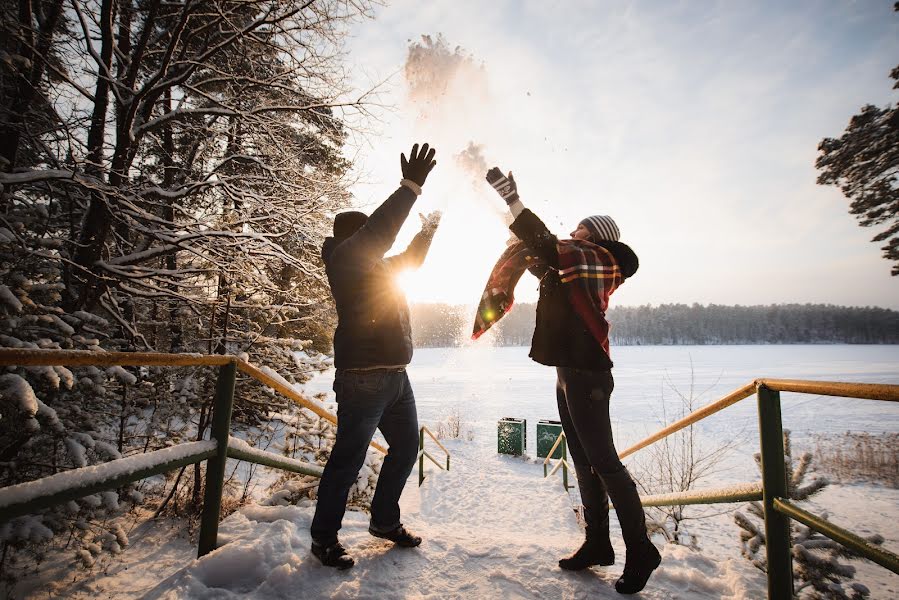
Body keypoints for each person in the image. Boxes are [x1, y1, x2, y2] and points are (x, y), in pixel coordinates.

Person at [473, 168, 661, 594]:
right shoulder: (571, 265)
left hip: (588, 373)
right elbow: (545, 259)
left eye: (579, 230)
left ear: (596, 237)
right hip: (567, 375)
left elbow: (546, 243)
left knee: (606, 462)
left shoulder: (602, 261)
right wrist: (527, 256)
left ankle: (641, 549)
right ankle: (597, 543)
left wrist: (513, 201)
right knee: (582, 461)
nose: (570, 235)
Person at [310, 143, 439, 569]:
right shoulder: (346, 259)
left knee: (404, 449)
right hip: (362, 379)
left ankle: (384, 522)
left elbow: (411, 259)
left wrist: (428, 232)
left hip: (396, 379)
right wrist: (409, 188)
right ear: (356, 237)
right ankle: (324, 540)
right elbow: (381, 230)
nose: (376, 244)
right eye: (367, 236)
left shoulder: (378, 267)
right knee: (348, 460)